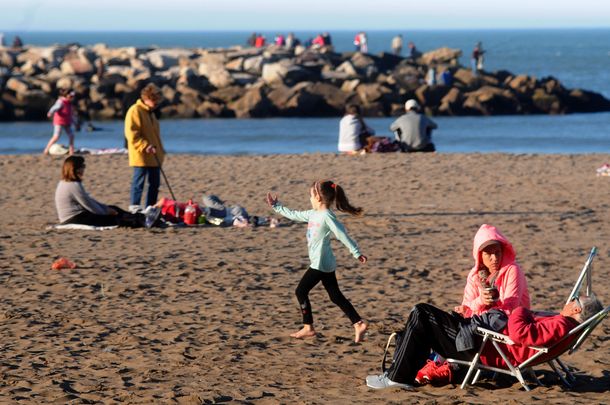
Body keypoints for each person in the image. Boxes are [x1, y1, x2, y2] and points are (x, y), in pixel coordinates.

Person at [365, 295, 603, 389]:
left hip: (483, 348)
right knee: (424, 323)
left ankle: (397, 377)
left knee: (421, 313)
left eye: (574, 299)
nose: (569, 299)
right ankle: (402, 374)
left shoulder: (561, 324)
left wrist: (520, 310)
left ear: (575, 308)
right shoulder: (567, 328)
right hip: (487, 343)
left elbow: (520, 333)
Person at [266, 180, 368, 343]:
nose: (310, 199)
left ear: (319, 197)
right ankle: (358, 324)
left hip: (320, 263)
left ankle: (308, 327)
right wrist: (277, 206)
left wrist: (356, 252)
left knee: (300, 291)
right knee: (335, 296)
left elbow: (342, 234)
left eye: (311, 195)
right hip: (325, 262)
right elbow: (294, 214)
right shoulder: (313, 214)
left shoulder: (327, 216)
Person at [55, 156, 160, 228]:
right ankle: (143, 220)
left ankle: (142, 217)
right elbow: (89, 205)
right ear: (76, 169)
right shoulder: (73, 186)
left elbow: (89, 200)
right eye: (83, 167)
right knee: (114, 218)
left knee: (114, 208)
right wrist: (105, 212)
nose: (84, 169)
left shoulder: (66, 182)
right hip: (74, 218)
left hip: (78, 215)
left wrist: (106, 208)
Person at [456, 223, 531, 318]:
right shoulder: (474, 275)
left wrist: (477, 310)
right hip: (484, 323)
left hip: (509, 325)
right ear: (480, 256)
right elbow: (466, 308)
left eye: (497, 252)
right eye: (488, 254)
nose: (494, 258)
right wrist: (481, 300)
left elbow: (509, 308)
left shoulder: (512, 270)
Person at [124, 83, 165, 211]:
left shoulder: (151, 113)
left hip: (154, 155)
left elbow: (154, 135)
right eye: (155, 101)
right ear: (147, 99)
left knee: (155, 184)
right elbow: (132, 134)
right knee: (139, 183)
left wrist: (161, 150)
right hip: (141, 155)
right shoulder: (135, 110)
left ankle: (150, 207)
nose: (157, 104)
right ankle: (135, 206)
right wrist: (145, 146)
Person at [43, 88, 77, 156]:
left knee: (71, 136)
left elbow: (71, 114)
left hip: (67, 122)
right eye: (70, 96)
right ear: (66, 95)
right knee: (56, 136)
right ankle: (46, 150)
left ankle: (71, 151)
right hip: (59, 121)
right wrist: (50, 112)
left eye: (73, 97)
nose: (72, 98)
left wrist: (75, 123)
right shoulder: (61, 101)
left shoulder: (69, 103)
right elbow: (55, 107)